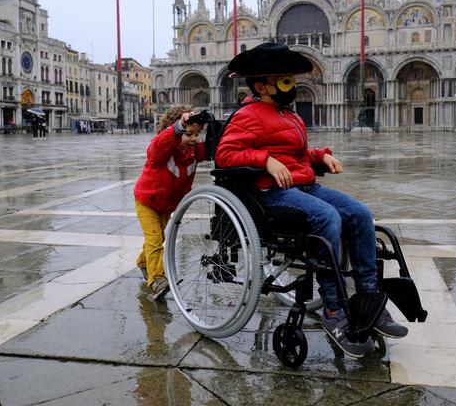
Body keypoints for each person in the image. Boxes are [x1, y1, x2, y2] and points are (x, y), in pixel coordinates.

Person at [215, 42, 408, 359]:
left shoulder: (287, 115)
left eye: (290, 78)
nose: (290, 84)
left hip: (304, 186)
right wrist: (265, 161)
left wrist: (321, 157)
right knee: (328, 217)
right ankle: (334, 310)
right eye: (283, 79)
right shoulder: (247, 115)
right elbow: (225, 155)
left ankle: (369, 299)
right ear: (262, 84)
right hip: (271, 193)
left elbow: (297, 156)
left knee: (360, 214)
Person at [133, 105, 207, 300]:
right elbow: (159, 145)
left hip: (166, 205)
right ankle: (157, 279)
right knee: (155, 240)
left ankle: (143, 262)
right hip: (147, 201)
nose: (193, 139)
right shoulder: (161, 150)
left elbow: (213, 148)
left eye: (197, 134)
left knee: (158, 240)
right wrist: (178, 126)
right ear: (175, 131)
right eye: (189, 134)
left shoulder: (193, 152)